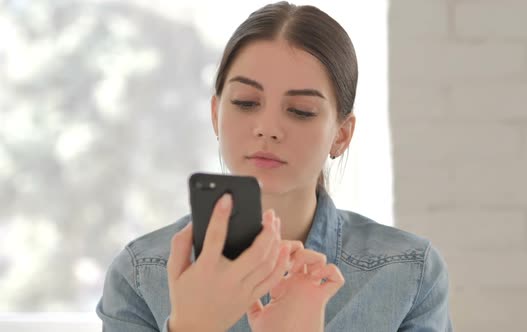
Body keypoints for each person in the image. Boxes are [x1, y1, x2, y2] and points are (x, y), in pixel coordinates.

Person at [96, 2, 453, 331]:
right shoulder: (140, 275)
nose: (267, 127)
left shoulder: (409, 273)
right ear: (216, 115)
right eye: (246, 102)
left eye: (300, 111)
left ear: (341, 135)